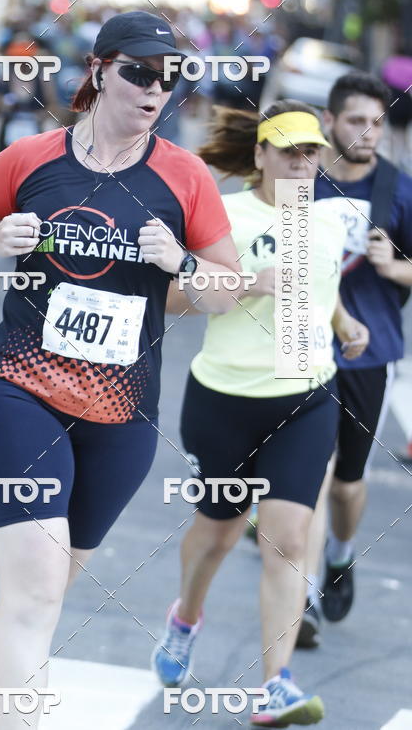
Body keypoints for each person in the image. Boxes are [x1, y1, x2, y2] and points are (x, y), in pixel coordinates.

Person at [0, 11, 243, 729]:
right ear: (100, 70)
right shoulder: (33, 157)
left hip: (121, 414)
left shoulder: (184, 176)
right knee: (36, 591)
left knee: (41, 596)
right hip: (18, 390)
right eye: (140, 72)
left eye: (169, 79)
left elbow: (226, 290)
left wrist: (182, 263)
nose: (155, 90)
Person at [151, 102, 369, 727]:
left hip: (306, 398)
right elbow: (171, 297)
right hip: (224, 400)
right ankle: (186, 616)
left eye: (311, 152)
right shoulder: (226, 216)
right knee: (219, 532)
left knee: (289, 539)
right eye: (288, 151)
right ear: (260, 156)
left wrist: (344, 322)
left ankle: (277, 684)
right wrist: (247, 282)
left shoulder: (330, 221)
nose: (302, 163)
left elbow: (322, 288)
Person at [308, 71, 412, 624]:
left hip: (367, 357)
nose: (368, 133)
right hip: (300, 346)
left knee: (347, 485)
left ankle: (340, 556)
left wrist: (391, 264)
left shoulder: (399, 189)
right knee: (308, 473)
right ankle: (297, 597)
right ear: (330, 121)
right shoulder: (303, 179)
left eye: (376, 122)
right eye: (355, 121)